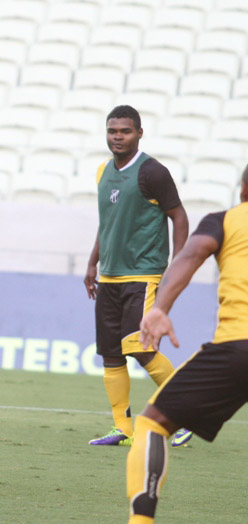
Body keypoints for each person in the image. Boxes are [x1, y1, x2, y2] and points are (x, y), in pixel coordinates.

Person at [118, 166, 248, 524]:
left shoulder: (224, 221)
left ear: (243, 189)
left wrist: (159, 309)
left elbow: (189, 257)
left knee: (152, 424)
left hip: (239, 348)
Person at [84, 105, 192, 448]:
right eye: (113, 130)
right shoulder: (103, 171)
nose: (118, 136)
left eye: (125, 131)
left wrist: (177, 265)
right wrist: (92, 263)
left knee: (140, 347)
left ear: (139, 133)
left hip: (143, 274)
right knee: (112, 353)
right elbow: (108, 222)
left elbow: (179, 217)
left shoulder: (152, 171)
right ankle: (123, 428)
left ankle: (186, 414)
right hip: (110, 276)